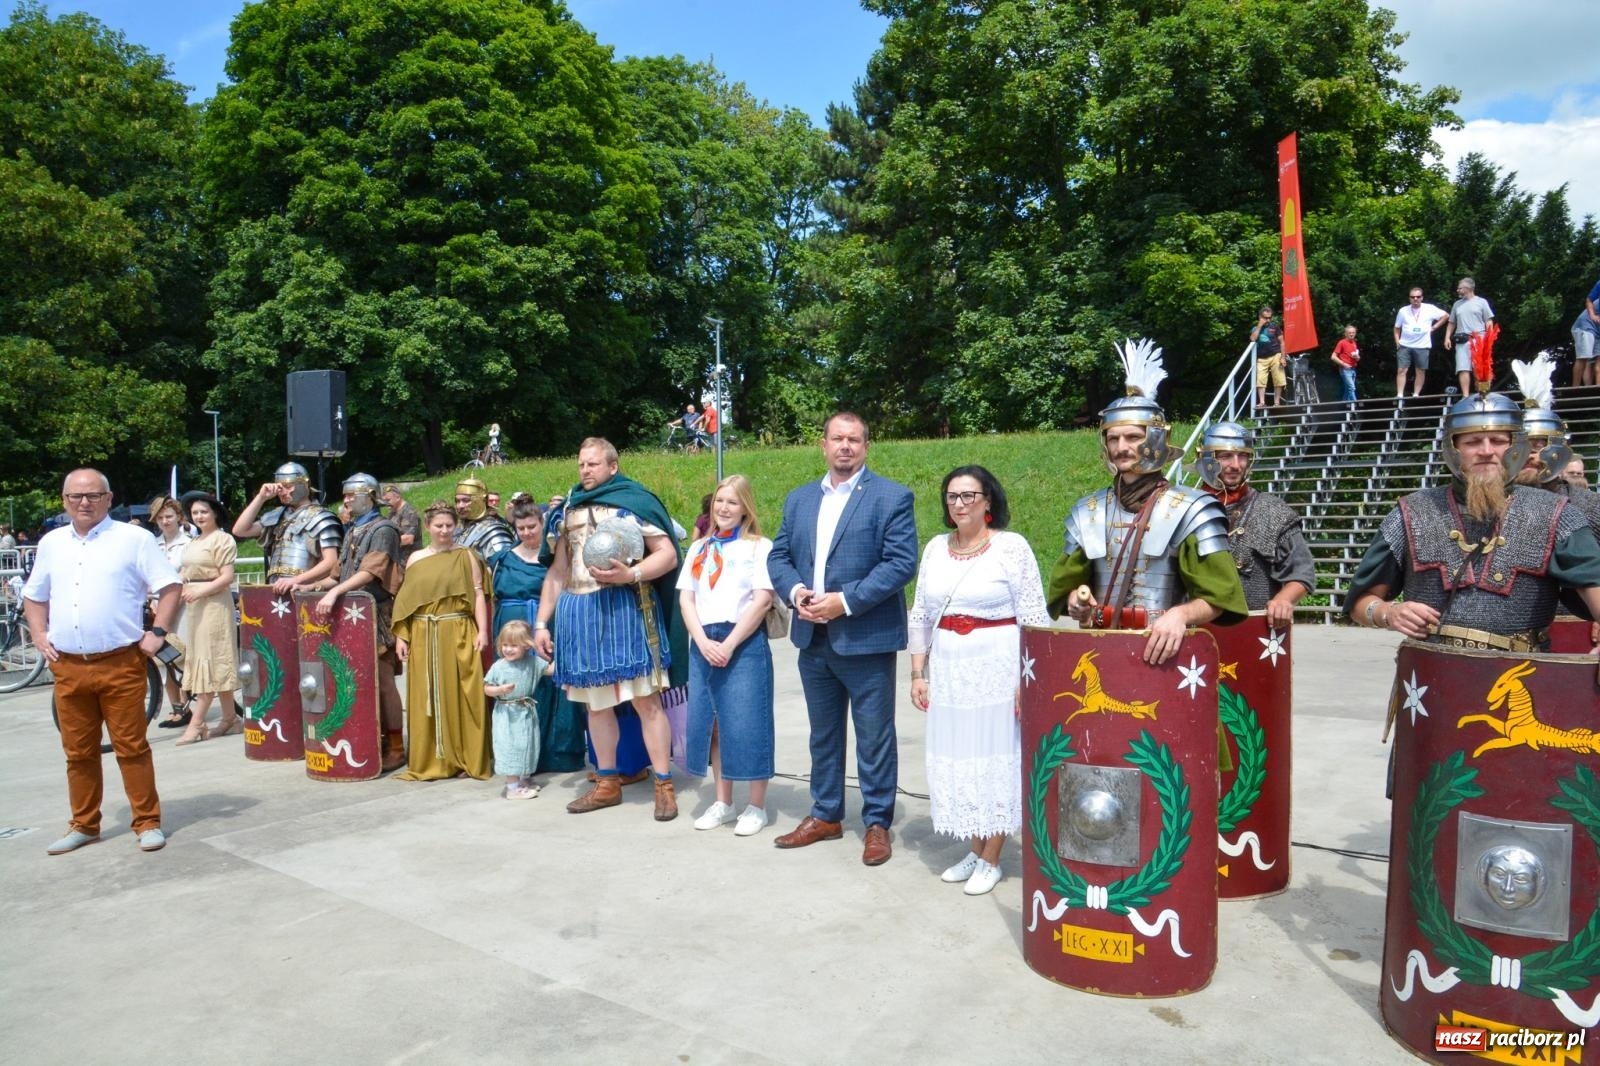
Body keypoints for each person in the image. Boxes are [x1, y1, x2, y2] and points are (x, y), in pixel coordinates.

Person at [768, 411, 918, 866]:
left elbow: (900, 564)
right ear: (824, 445)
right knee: (823, 735)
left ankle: (876, 823)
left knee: (874, 738)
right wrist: (795, 592)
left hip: (866, 639)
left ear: (866, 447)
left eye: (854, 439)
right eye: (838, 438)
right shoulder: (799, 500)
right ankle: (826, 815)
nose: (846, 446)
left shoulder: (891, 497)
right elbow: (779, 555)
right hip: (812, 638)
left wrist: (844, 601)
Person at [1345, 382, 1600, 648]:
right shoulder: (1412, 512)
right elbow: (1361, 601)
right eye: (1473, 441)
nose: (1486, 451)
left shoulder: (1555, 513)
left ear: (1515, 446)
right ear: (1454, 449)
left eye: (1498, 440)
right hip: (1431, 673)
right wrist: (1389, 613)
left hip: (1521, 677)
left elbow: (1593, 581)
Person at [1048, 339, 1248, 662]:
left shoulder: (1192, 511)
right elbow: (1066, 590)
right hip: (1101, 653)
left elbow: (1221, 596)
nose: (1121, 447)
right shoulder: (1088, 513)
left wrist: (1180, 615)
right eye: (1113, 438)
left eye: (1132, 437)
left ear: (1154, 439)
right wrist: (1075, 600)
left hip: (1168, 656)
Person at [22, 469, 181, 855]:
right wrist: (40, 636)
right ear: (64, 501)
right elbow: (34, 595)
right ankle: (84, 824)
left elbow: (171, 586)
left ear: (109, 499)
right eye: (75, 496)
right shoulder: (52, 543)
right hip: (69, 665)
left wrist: (157, 634)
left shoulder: (134, 539)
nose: (84, 502)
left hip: (121, 662)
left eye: (93, 495)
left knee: (131, 747)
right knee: (78, 752)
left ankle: (146, 822)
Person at [907, 465, 1047, 895]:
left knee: (996, 755)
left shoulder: (1011, 547)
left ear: (988, 500)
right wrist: (918, 672)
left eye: (969, 495)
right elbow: (921, 615)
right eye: (952, 496)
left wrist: (1027, 682)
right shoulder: (934, 548)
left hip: (998, 665)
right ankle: (975, 846)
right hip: (950, 667)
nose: (960, 504)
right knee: (961, 756)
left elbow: (1034, 617)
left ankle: (993, 857)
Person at [533, 438, 688, 820]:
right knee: (595, 706)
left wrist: (631, 574)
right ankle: (607, 783)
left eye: (593, 464)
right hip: (578, 612)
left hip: (625, 609)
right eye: (581, 464)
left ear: (612, 466)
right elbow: (557, 571)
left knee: (645, 700)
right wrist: (541, 622)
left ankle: (664, 785)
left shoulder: (632, 502)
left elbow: (667, 553)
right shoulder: (567, 509)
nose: (585, 470)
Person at [677, 474, 776, 837]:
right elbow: (686, 598)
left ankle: (756, 805)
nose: (724, 508)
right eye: (720, 501)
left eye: (732, 502)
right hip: (704, 641)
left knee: (749, 722)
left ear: (745, 507)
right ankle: (723, 801)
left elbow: (762, 599)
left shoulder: (759, 546)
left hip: (742, 640)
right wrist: (702, 640)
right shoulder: (699, 548)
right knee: (714, 724)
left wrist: (730, 643)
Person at [390, 502, 491, 780]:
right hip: (423, 634)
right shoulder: (416, 559)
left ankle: (466, 758)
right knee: (427, 693)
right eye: (439, 526)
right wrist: (402, 637)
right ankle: (433, 761)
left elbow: (479, 594)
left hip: (458, 629)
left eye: (449, 525)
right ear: (428, 527)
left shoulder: (466, 556)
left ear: (456, 526)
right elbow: (406, 603)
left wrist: (482, 630)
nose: (444, 531)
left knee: (464, 692)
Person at [314, 473, 408, 772]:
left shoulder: (384, 529)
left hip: (376, 613)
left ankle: (395, 745)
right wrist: (314, 586)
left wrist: (337, 591)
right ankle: (373, 738)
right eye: (345, 495)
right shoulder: (354, 529)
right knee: (357, 682)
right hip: (352, 614)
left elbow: (371, 572)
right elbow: (339, 573)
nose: (346, 500)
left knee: (382, 682)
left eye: (352, 495)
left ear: (369, 495)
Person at [488, 500, 586, 774]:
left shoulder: (555, 559)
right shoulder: (503, 560)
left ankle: (559, 753)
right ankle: (520, 756)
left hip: (549, 627)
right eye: (521, 528)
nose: (527, 532)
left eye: (532, 526)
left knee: (555, 685)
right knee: (519, 685)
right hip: (513, 630)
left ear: (542, 525)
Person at [1194, 422, 1316, 626]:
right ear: (1206, 459)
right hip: (1192, 634)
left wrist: (1284, 599)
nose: (1236, 465)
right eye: (1225, 456)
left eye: (1242, 456)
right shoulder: (1183, 510)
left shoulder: (1273, 511)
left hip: (1252, 633)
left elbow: (1302, 572)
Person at [174, 495, 242, 745]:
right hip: (195, 604)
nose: (199, 516)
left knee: (211, 658)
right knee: (210, 658)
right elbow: (186, 572)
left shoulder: (223, 539)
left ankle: (197, 723)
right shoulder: (194, 541)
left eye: (204, 511)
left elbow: (226, 577)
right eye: (195, 512)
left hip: (214, 604)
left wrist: (200, 591)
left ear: (214, 513)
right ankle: (230, 718)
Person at [232, 461, 343, 593]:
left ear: (304, 485)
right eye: (279, 487)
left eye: (288, 486)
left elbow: (331, 562)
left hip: (305, 590)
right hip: (275, 589)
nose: (282, 492)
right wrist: (261, 498)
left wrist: (295, 580)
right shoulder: (277, 516)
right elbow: (239, 530)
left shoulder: (321, 517)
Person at [484, 620, 553, 799]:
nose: (508, 649)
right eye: (505, 644)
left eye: (514, 645)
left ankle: (524, 779)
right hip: (507, 714)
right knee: (510, 748)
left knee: (527, 745)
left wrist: (557, 652)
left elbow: (551, 670)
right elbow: (487, 688)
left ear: (526, 645)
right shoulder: (499, 666)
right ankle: (512, 789)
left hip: (526, 712)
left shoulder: (532, 662)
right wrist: (499, 690)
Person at [149, 495, 193, 727]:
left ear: (178, 517)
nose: (165, 521)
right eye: (160, 518)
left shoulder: (188, 544)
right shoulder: (152, 545)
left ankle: (186, 705)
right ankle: (175, 706)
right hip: (157, 606)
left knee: (179, 655)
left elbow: (185, 575)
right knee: (162, 658)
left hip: (182, 607)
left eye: (169, 516)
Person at [1446, 277, 1497, 396]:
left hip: (1479, 339)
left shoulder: (1482, 302)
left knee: (1481, 369)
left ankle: (1483, 394)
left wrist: (1489, 339)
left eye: (1460, 288)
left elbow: (1489, 321)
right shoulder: (1457, 304)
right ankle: (1465, 396)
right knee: (1462, 368)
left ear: (1467, 288)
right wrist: (1447, 337)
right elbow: (1451, 322)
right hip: (1462, 340)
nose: (1457, 290)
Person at [1393, 287, 1448, 398]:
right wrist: (1397, 342)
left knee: (1420, 370)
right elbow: (1396, 327)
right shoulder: (1403, 310)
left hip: (1422, 345)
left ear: (1422, 297)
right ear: (1409, 298)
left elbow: (1445, 316)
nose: (1415, 299)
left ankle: (1416, 394)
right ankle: (1399, 394)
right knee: (1402, 369)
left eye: (1418, 297)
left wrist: (1434, 327)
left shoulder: (1429, 308)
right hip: (1405, 344)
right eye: (1413, 297)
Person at [453, 476, 513, 560]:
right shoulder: (458, 527)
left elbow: (504, 567)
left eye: (466, 500)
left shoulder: (493, 531)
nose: (460, 506)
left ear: (481, 501)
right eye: (457, 501)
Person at [1251, 305, 1285, 410]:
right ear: (1260, 317)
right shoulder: (1255, 328)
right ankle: (1262, 402)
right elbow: (1252, 339)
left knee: (1278, 378)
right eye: (1265, 318)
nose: (1268, 320)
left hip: (1276, 354)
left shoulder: (1275, 327)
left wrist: (1283, 357)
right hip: (1261, 357)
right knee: (1260, 379)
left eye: (1270, 317)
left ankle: (1277, 402)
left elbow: (1282, 342)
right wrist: (1259, 326)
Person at [382, 484, 421, 563]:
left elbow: (408, 539)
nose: (386, 504)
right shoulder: (392, 512)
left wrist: (385, 542)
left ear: (398, 497)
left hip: (409, 561)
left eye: (388, 500)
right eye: (384, 501)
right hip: (397, 559)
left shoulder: (409, 513)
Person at [1572, 278, 1600, 388]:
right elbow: (1589, 299)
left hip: (1598, 330)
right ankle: (1574, 390)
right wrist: (1592, 315)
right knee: (1584, 357)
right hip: (1585, 326)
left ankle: (1597, 391)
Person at [1331, 324, 1361, 403]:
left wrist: (1357, 358)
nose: (1351, 334)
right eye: (1349, 333)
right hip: (1345, 369)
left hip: (1353, 369)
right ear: (1345, 334)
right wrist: (1343, 364)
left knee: (1348, 389)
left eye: (1353, 333)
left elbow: (1356, 357)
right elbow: (1333, 357)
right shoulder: (1341, 342)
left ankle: (1343, 406)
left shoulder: (1354, 343)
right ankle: (1355, 406)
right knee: (1351, 388)